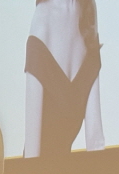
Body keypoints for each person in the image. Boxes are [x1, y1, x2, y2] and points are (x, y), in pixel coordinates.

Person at [24, 0, 105, 157]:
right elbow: (31, 154)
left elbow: (96, 141)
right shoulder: (42, 18)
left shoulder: (87, 18)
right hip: (39, 171)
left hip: (62, 171)